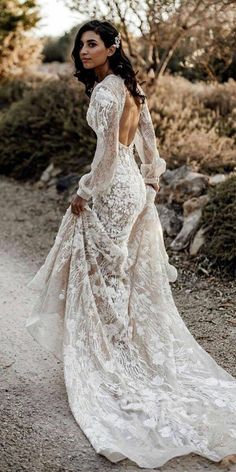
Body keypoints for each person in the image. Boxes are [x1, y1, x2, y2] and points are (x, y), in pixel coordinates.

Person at [26, 19, 236, 470]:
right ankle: (118, 350)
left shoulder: (105, 92)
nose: (83, 51)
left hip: (110, 187)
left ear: (111, 47)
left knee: (105, 274)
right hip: (131, 187)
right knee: (115, 269)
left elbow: (104, 157)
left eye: (92, 44)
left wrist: (83, 192)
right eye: (80, 45)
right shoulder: (130, 87)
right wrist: (152, 181)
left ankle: (113, 360)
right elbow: (149, 140)